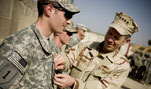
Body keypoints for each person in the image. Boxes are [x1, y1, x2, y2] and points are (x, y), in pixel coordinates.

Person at [0, 0, 80, 89]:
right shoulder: (22, 43)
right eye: (67, 15)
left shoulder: (50, 46)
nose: (69, 22)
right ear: (49, 10)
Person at [53, 12, 139, 89]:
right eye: (110, 33)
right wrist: (63, 60)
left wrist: (74, 83)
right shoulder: (87, 46)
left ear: (126, 41)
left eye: (116, 38)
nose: (110, 39)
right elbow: (69, 56)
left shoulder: (122, 66)